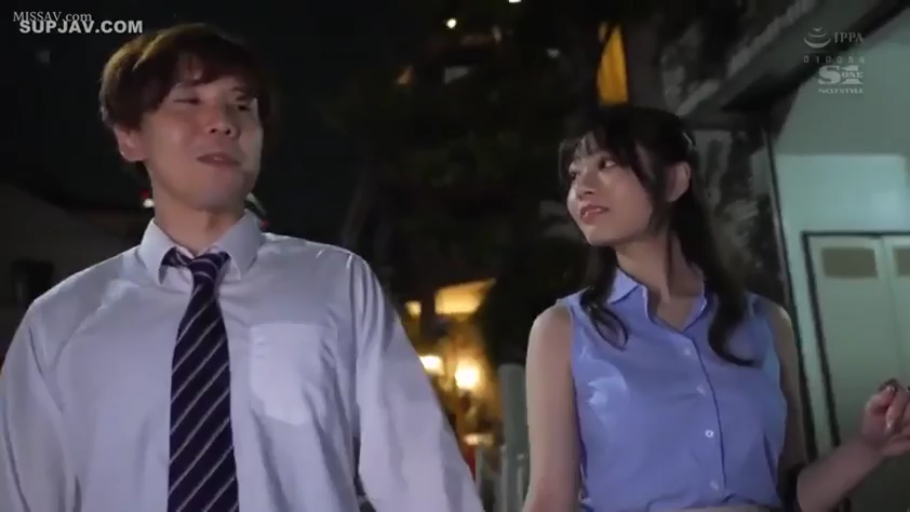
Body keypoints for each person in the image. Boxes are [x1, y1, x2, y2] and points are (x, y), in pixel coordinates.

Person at [0, 23, 482, 512]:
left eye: (242, 105)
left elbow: (424, 483)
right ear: (129, 136)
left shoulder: (338, 285)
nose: (222, 122)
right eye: (189, 101)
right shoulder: (60, 323)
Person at [522, 104, 910, 512]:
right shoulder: (564, 330)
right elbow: (549, 501)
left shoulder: (766, 322)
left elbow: (788, 493)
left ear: (675, 180)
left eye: (606, 164)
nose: (581, 188)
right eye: (574, 174)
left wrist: (870, 446)